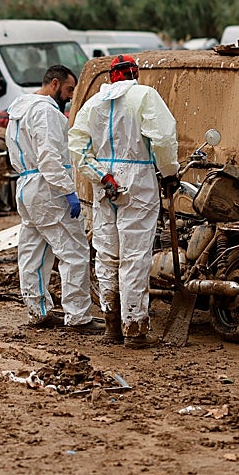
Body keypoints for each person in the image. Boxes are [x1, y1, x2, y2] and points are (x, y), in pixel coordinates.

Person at [68, 54, 178, 347]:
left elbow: (78, 149)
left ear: (111, 76)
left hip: (106, 185)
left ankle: (111, 326)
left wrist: (102, 176)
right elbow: (163, 139)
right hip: (138, 180)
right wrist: (169, 172)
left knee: (107, 255)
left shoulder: (93, 104)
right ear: (134, 75)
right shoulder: (145, 96)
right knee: (134, 256)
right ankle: (135, 328)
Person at [6, 64, 103, 333]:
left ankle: (38, 311)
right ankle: (78, 316)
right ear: (55, 84)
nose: (71, 96)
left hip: (26, 186)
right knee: (74, 252)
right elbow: (49, 157)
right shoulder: (45, 112)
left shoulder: (18, 110)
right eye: (69, 89)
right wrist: (67, 191)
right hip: (47, 188)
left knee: (33, 252)